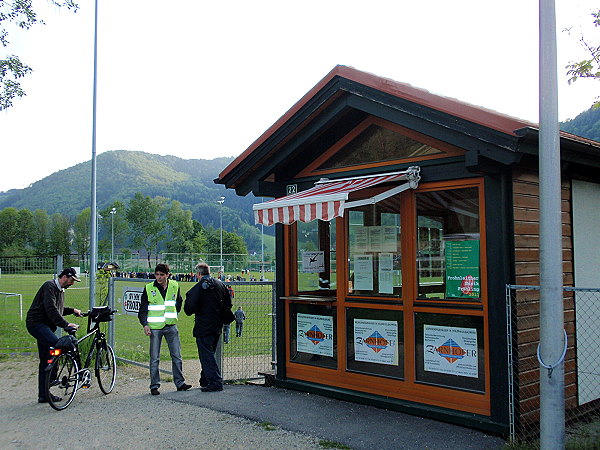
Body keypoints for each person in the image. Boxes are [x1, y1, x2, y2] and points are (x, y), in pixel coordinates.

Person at [26, 267, 82, 403]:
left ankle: (43, 395)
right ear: (64, 277)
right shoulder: (49, 286)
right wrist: (66, 325)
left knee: (45, 359)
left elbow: (58, 309)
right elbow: (50, 309)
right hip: (37, 323)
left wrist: (72, 310)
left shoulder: (60, 290)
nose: (72, 283)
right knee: (58, 346)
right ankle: (52, 379)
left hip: (45, 326)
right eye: (71, 280)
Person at [138, 263, 191, 395]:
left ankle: (180, 383)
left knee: (177, 356)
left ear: (168, 275)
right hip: (155, 328)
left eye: (162, 275)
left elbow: (179, 301)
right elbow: (142, 309)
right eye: (157, 274)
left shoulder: (175, 285)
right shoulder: (149, 288)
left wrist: (174, 314)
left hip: (171, 326)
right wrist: (145, 325)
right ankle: (154, 386)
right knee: (154, 358)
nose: (159, 277)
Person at [184, 262, 232, 392]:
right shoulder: (220, 284)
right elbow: (228, 302)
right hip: (217, 324)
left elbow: (188, 309)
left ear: (198, 274)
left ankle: (215, 382)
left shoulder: (198, 288)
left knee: (206, 355)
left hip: (203, 325)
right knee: (210, 353)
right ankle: (205, 380)